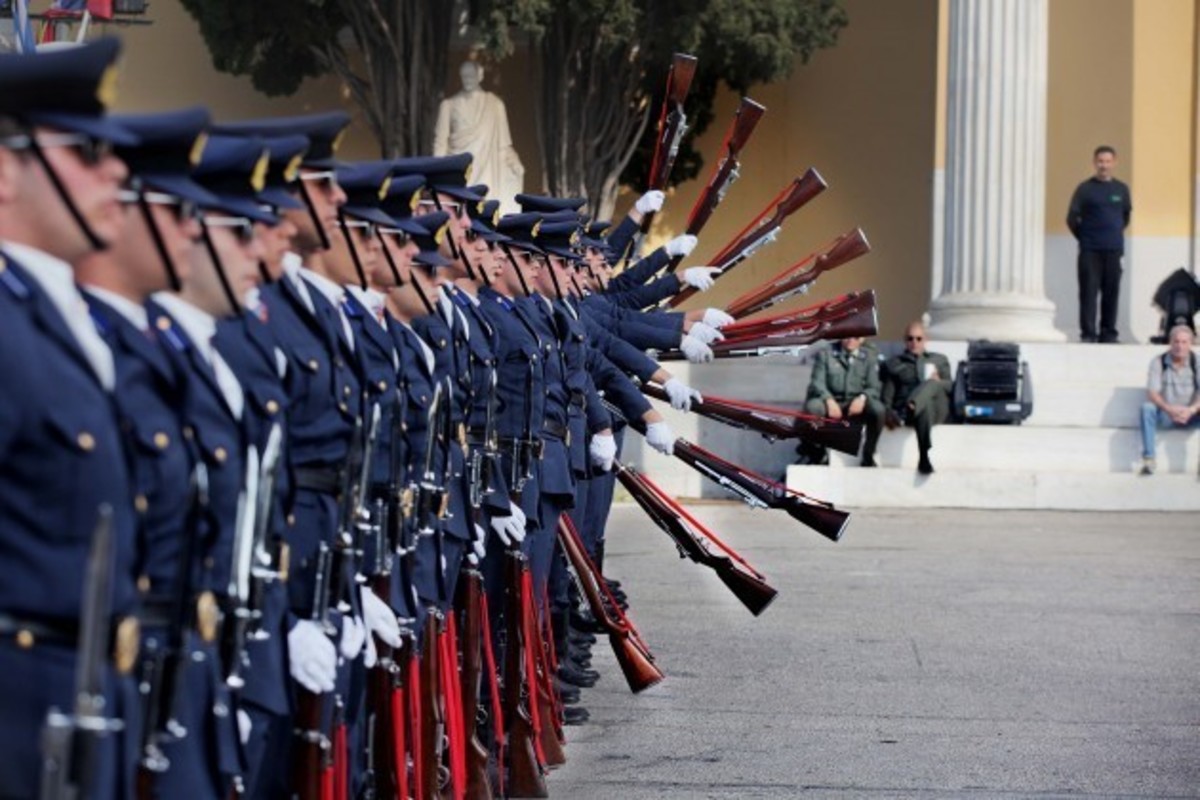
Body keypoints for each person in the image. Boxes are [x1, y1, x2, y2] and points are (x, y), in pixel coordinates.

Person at [433, 61, 524, 212]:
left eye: (471, 75)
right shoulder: (448, 105)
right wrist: (436, 173)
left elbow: (503, 145)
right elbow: (440, 143)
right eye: (464, 76)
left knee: (486, 214)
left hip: (488, 172)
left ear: (480, 75)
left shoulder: (495, 105)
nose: (467, 79)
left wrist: (514, 163)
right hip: (460, 173)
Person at [1067, 145, 1132, 343]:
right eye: (1100, 161)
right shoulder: (1085, 189)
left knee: (1111, 293)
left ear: (1114, 163)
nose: (1104, 165)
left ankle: (1108, 333)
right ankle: (1088, 334)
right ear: (1095, 163)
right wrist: (1086, 238)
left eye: (1107, 161)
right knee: (1088, 292)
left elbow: (1125, 217)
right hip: (1090, 251)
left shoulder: (1121, 189)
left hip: (1114, 250)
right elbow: (1071, 219)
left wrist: (1112, 235)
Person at [881, 321, 953, 475]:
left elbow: (950, 386)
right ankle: (924, 457)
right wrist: (888, 412)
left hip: (937, 410)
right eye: (910, 338)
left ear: (925, 339)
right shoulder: (894, 364)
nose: (914, 342)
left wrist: (938, 382)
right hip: (913, 414)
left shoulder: (939, 360)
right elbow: (887, 395)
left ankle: (913, 404)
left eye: (919, 338)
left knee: (932, 384)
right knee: (924, 407)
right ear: (905, 341)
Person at [802, 335, 884, 466]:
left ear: (862, 339)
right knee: (813, 407)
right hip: (832, 401)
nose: (851, 339)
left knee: (878, 410)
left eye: (856, 337)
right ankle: (818, 453)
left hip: (856, 403)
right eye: (847, 336)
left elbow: (874, 386)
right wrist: (828, 399)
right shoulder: (826, 353)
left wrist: (862, 398)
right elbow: (817, 382)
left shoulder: (869, 357)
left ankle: (869, 453)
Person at [1139, 324, 1200, 474]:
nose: (1180, 346)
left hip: (1192, 415)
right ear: (1170, 343)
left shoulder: (1197, 362)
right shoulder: (1158, 362)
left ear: (1190, 344)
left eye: (1184, 342)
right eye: (1176, 341)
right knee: (1147, 408)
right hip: (1167, 414)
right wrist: (1169, 409)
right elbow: (1152, 393)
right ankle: (1149, 459)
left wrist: (1191, 410)